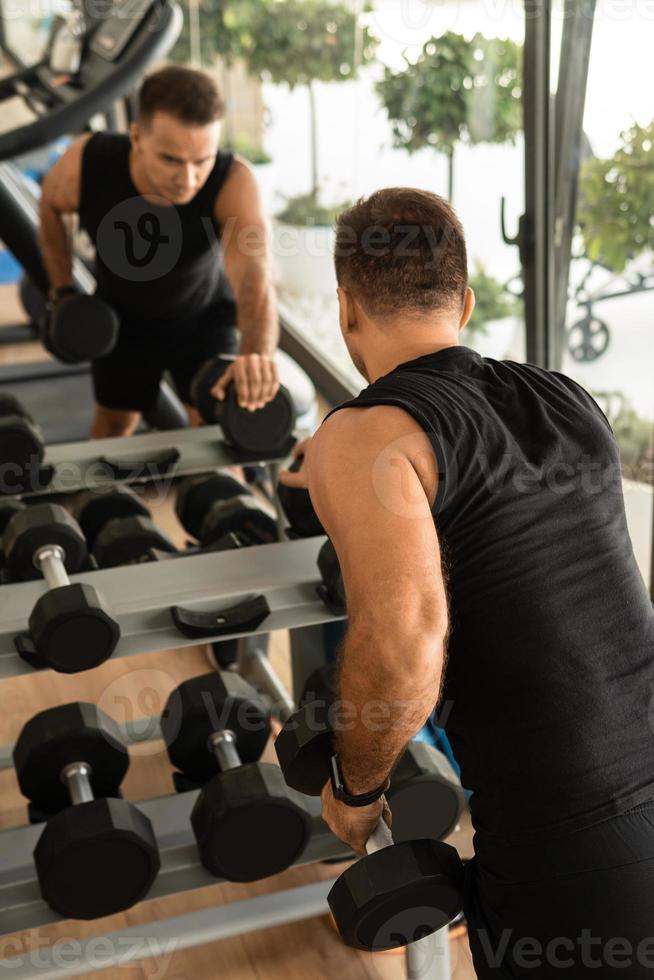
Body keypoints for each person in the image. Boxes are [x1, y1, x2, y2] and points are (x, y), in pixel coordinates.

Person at [279, 187, 654, 978]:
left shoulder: (363, 437)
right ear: (466, 300)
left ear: (347, 310)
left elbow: (406, 642)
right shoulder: (568, 398)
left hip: (573, 846)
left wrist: (356, 785)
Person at [39, 65, 279, 438]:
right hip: (122, 319)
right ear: (136, 136)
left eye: (202, 160)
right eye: (171, 159)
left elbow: (254, 278)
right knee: (114, 425)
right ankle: (97, 497)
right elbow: (50, 206)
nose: (188, 179)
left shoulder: (234, 181)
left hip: (202, 318)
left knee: (216, 433)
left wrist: (256, 355)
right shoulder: (90, 161)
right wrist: (62, 289)